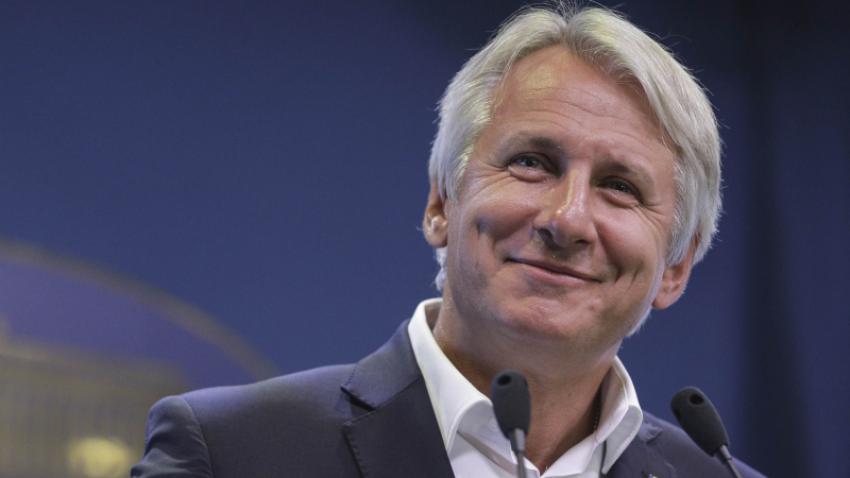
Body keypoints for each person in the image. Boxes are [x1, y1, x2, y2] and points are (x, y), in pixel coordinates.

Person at [133, 3, 764, 477]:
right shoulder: (231, 452)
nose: (568, 219)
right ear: (441, 203)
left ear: (676, 266)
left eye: (620, 187)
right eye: (532, 163)